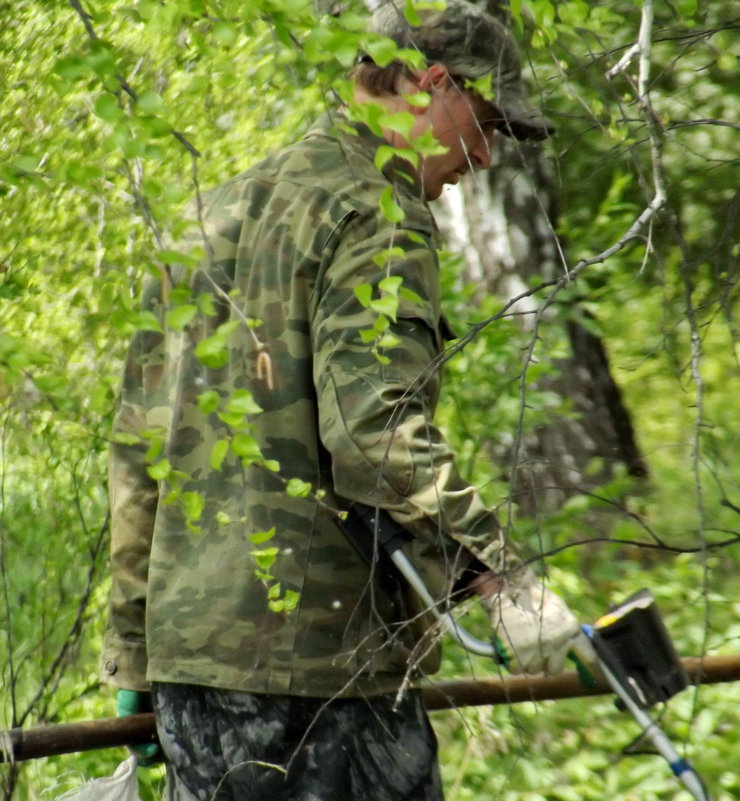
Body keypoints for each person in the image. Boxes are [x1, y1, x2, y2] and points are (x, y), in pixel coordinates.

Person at [102, 1, 588, 798]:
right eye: (488, 122)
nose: (488, 157)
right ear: (433, 84)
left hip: (195, 669)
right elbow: (373, 430)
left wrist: (134, 648)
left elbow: (139, 453)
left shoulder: (214, 211)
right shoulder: (380, 212)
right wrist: (494, 577)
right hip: (322, 672)